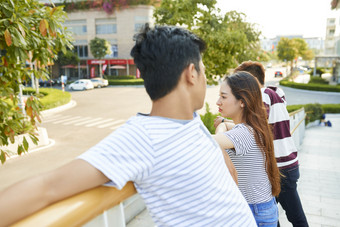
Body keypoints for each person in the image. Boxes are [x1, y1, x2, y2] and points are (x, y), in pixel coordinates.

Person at [0, 24, 256, 227]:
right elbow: (48, 186)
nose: (204, 80)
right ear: (191, 73)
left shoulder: (192, 121)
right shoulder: (143, 137)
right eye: (203, 69)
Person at [229, 61, 308, 227]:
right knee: (270, 213)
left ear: (251, 80)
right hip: (285, 164)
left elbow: (256, 126)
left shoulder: (263, 94)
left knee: (294, 216)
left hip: (280, 167)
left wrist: (226, 123)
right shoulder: (276, 93)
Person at [213, 71, 281, 226]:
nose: (218, 102)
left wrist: (222, 127)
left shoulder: (244, 133)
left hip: (255, 211)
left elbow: (207, 142)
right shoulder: (254, 126)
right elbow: (229, 128)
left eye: (223, 97)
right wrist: (224, 124)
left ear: (242, 101)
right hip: (262, 207)